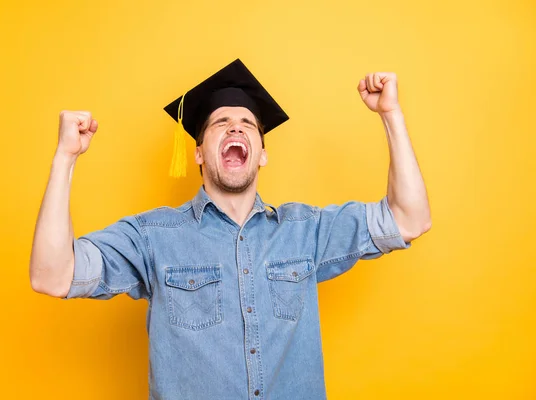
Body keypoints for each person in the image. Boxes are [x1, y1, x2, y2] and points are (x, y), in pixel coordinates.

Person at [29, 59, 431, 400]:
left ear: (262, 153)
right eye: (220, 122)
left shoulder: (305, 232)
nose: (235, 128)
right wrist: (65, 158)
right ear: (200, 153)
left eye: (247, 124)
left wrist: (390, 115)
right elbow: (52, 274)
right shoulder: (151, 237)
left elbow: (410, 219)